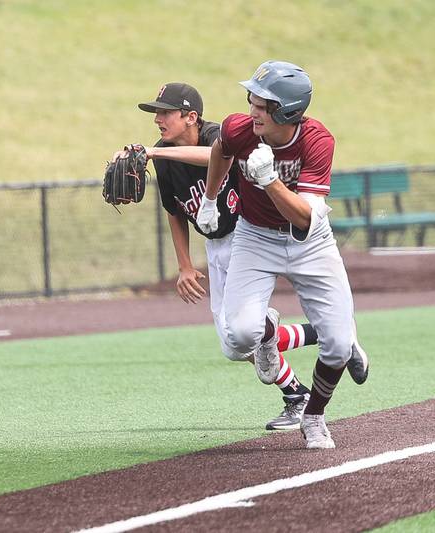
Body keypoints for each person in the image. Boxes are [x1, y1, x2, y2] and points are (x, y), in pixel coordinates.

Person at [119, 82, 317, 431]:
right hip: (216, 244)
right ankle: (317, 337)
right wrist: (184, 264)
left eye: (165, 112)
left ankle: (296, 393)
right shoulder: (165, 159)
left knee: (242, 334)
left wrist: (155, 153)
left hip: (250, 234)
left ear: (191, 116)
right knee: (233, 347)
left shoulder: (217, 134)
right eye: (156, 113)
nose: (158, 120)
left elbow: (216, 154)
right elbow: (174, 211)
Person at [196, 61, 369, 449]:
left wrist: (269, 181)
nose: (252, 108)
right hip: (256, 237)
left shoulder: (317, 140)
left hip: (310, 240)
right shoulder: (241, 128)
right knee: (238, 339)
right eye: (252, 99)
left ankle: (314, 417)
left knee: (338, 345)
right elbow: (221, 149)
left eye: (263, 103)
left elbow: (305, 219)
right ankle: (269, 331)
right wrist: (209, 200)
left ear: (287, 111)